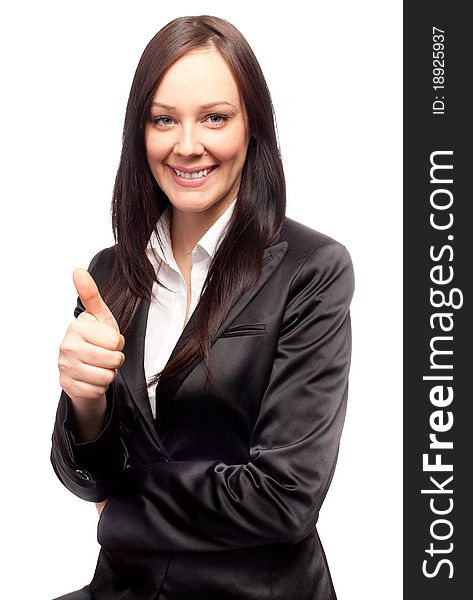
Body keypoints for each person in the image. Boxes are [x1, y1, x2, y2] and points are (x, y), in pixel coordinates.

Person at [51, 14, 355, 600]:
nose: (187, 145)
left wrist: (125, 511)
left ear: (252, 128)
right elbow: (88, 480)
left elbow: (285, 497)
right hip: (125, 587)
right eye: (164, 120)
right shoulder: (112, 271)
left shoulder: (312, 270)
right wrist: (85, 403)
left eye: (215, 118)